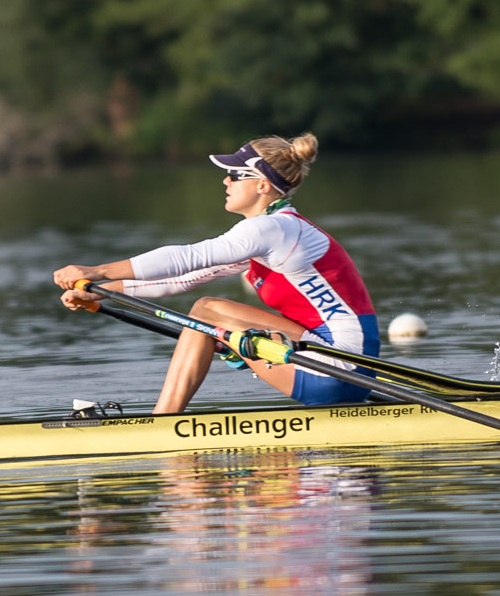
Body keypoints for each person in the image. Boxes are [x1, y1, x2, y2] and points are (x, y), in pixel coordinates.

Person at [54, 134, 380, 415]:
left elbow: (189, 258)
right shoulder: (272, 234)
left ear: (263, 185)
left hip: (339, 366)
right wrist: (98, 290)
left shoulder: (273, 228)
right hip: (338, 366)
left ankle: (161, 421)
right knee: (206, 315)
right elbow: (182, 279)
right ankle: (164, 419)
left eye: (234, 175)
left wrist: (95, 270)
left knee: (206, 310)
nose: (225, 181)